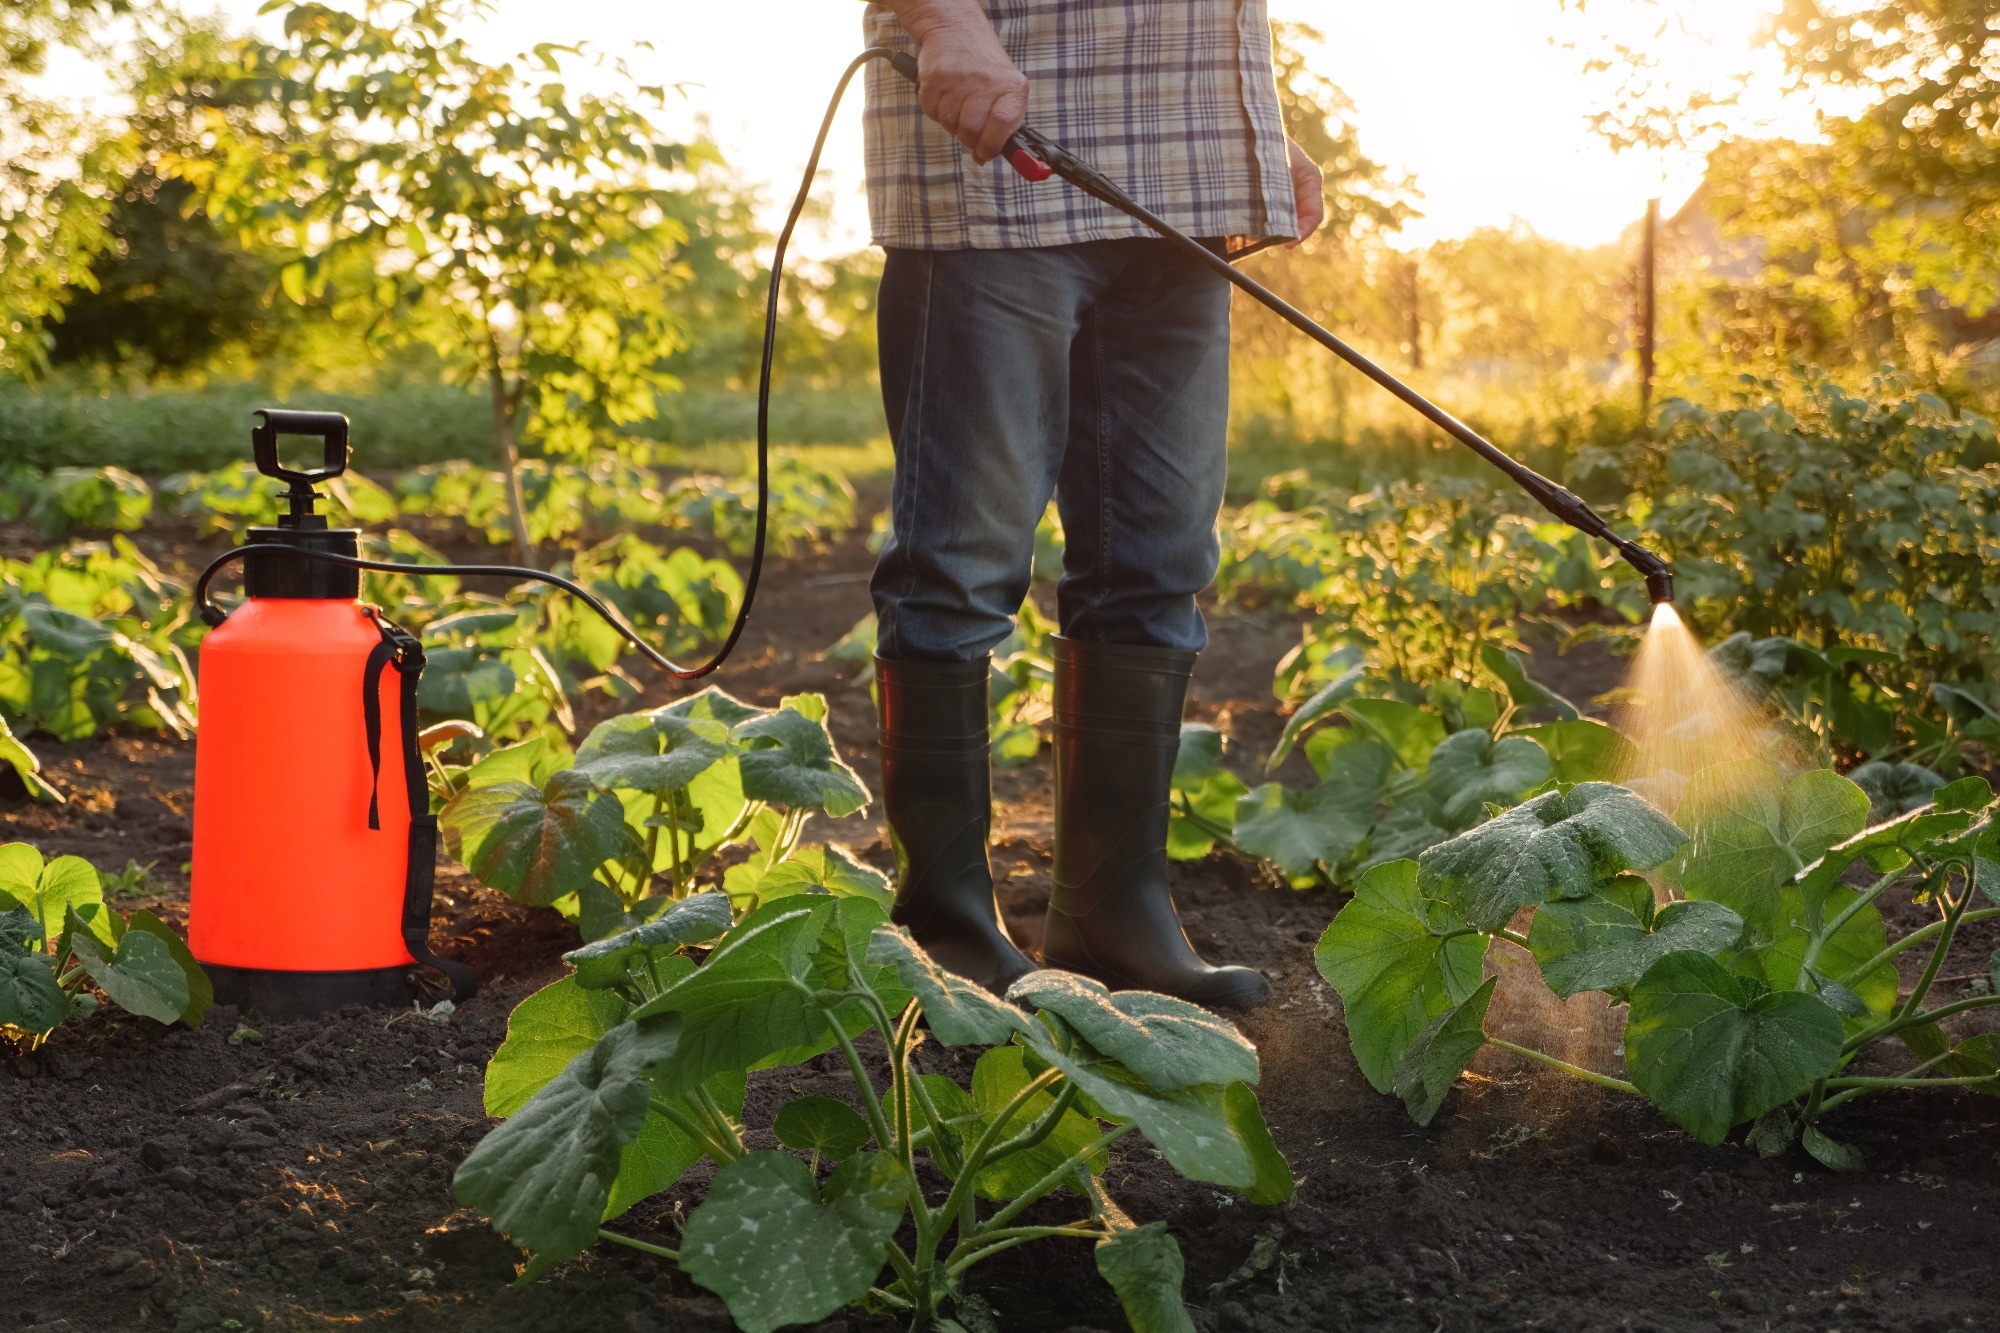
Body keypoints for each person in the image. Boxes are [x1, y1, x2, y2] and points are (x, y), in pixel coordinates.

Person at [862, 0, 1325, 1009]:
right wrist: (944, 22)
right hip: (1001, 161)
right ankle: (945, 937)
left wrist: (1251, 128)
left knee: (1155, 566)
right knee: (961, 566)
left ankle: (1114, 917)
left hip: (1184, 179)